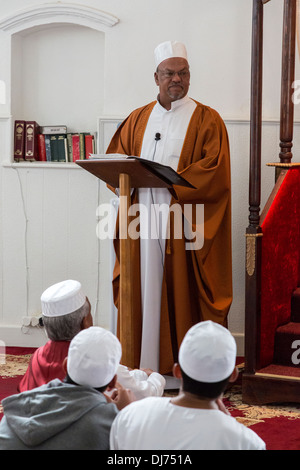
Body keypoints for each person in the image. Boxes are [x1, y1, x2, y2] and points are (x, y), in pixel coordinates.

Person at [106, 40, 232, 376]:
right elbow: (115, 163)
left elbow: (215, 173)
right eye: (169, 73)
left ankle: (182, 370)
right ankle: (139, 364)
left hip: (181, 221)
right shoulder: (138, 119)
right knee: (142, 287)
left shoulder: (207, 120)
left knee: (179, 290)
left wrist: (171, 186)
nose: (176, 79)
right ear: (156, 77)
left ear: (189, 77)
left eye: (183, 73)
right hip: (140, 219)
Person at [109, 321, 266, 450]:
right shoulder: (247, 443)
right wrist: (228, 423)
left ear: (177, 371)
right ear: (233, 375)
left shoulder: (131, 414)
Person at [18, 279, 165, 399]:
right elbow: (145, 394)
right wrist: (156, 377)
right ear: (85, 322)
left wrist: (137, 374)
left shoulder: (38, 356)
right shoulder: (96, 361)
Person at [0, 326, 135, 450]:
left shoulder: (15, 409)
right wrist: (126, 416)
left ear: (65, 366)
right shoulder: (111, 427)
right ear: (112, 382)